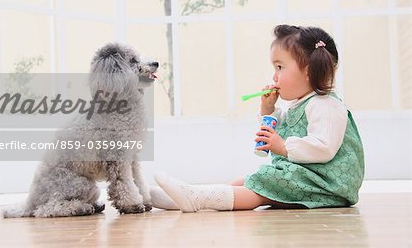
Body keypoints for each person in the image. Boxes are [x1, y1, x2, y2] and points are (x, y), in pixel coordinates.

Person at [151, 24, 365, 212]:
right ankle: (182, 198)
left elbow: (323, 147)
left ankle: (198, 199)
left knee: (261, 187)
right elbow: (282, 128)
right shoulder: (302, 104)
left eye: (280, 67)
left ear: (308, 71)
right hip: (307, 177)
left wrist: (282, 146)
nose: (274, 76)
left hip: (329, 184)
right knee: (250, 180)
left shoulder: (326, 105)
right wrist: (268, 109)